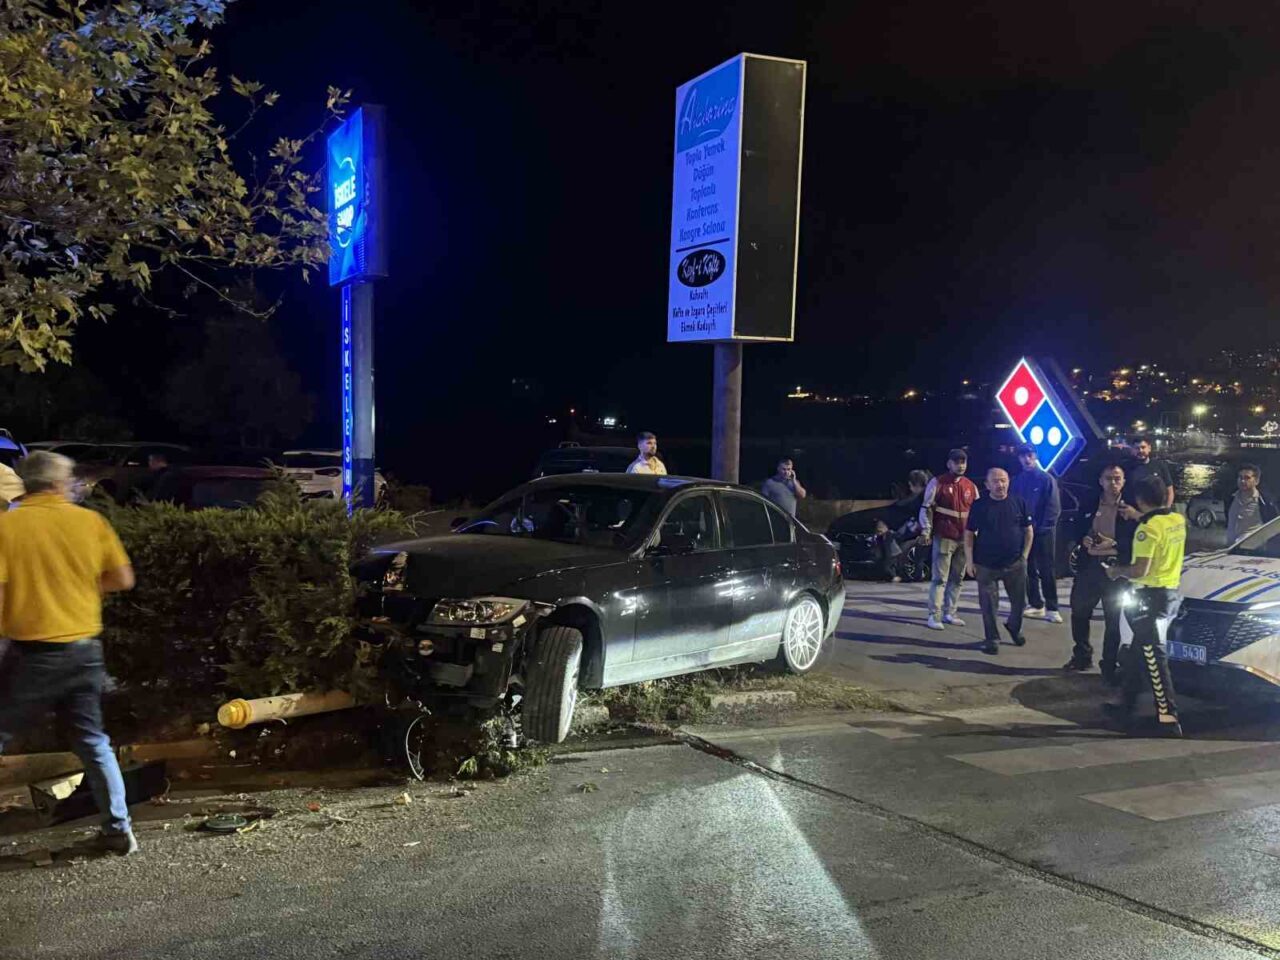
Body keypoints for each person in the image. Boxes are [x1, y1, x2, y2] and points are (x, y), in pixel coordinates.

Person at [0, 452, 138, 853]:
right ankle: (118, 829)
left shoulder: (10, 527)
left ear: (27, 483)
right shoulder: (88, 521)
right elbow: (122, 578)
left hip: (32, 654)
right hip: (84, 652)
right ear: (61, 484)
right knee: (93, 741)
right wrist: (80, 589)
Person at [1104, 474, 1187, 736]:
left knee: (1154, 657)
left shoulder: (1147, 530)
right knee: (1137, 652)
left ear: (1140, 499)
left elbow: (1140, 570)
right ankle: (1125, 702)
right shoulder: (1176, 520)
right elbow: (1156, 523)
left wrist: (1116, 571)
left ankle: (1168, 717)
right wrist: (1137, 515)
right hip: (1169, 593)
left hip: (1147, 597)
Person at [1065, 463, 1137, 683]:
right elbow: (1076, 526)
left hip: (1116, 569)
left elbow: (1138, 541)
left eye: (1117, 478)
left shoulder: (1131, 507)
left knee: (1113, 618)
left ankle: (1109, 663)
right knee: (1079, 610)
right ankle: (1082, 654)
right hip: (1090, 566)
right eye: (1108, 478)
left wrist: (1113, 544)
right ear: (1100, 481)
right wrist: (1083, 539)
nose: (1113, 483)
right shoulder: (1090, 501)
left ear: (1124, 481)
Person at [964, 467, 1033, 654]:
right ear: (987, 485)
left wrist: (1024, 556)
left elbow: (1028, 531)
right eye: (995, 481)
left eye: (1003, 480)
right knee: (988, 606)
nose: (1000, 484)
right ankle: (992, 639)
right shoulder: (979, 505)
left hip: (1015, 564)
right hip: (986, 564)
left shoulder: (1019, 502)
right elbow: (969, 533)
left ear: (1009, 481)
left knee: (1020, 603)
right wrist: (969, 561)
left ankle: (1014, 626)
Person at [919, 449, 980, 630]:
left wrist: (977, 535)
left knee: (958, 578)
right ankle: (934, 615)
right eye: (956, 461)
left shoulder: (970, 486)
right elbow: (926, 508)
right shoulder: (938, 483)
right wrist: (926, 530)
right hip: (944, 536)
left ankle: (950, 613)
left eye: (963, 461)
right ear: (949, 463)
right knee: (940, 579)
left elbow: (978, 512)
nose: (960, 465)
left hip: (964, 539)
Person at [1010, 444, 1063, 623]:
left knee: (1047, 570)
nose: (1027, 459)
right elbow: (1014, 506)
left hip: (1043, 533)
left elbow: (1053, 508)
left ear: (1035, 456)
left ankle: (1052, 607)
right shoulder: (1017, 481)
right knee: (1028, 569)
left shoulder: (1046, 479)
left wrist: (1042, 528)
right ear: (1019, 458)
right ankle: (1036, 604)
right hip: (1024, 533)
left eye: (1030, 455)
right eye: (1023, 456)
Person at [1226, 463, 1277, 543]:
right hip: (1231, 548)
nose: (1243, 481)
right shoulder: (1230, 498)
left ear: (1256, 481)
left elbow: (1273, 526)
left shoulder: (1265, 501)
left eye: (1247, 478)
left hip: (1254, 550)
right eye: (1240, 477)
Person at [1126, 437, 1174, 509]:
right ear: (1132, 450)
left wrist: (1166, 509)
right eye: (1137, 448)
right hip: (1134, 513)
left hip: (1157, 511)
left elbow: (1170, 491)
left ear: (1149, 448)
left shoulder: (1160, 465)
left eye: (1143, 447)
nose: (1140, 450)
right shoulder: (1126, 468)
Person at [872, 518, 903, 582]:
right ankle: (890, 577)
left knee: (887, 567)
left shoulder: (889, 534)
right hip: (893, 553)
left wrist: (887, 557)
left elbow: (888, 547)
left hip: (894, 553)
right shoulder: (881, 537)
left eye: (879, 531)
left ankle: (895, 577)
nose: (878, 533)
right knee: (888, 566)